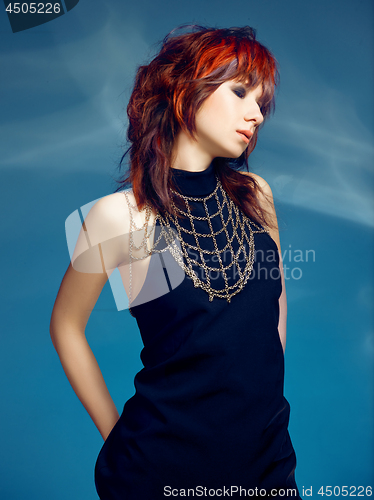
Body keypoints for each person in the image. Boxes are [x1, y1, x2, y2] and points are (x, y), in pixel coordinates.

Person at [50, 25, 301, 499]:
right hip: (161, 470)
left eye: (262, 104)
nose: (256, 115)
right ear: (186, 88)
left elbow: (275, 302)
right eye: (241, 91)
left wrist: (257, 398)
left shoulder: (255, 196)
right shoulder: (120, 217)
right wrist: (114, 435)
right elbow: (65, 325)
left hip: (267, 461)